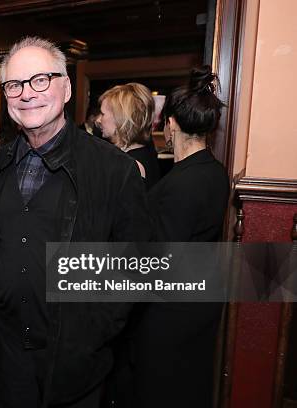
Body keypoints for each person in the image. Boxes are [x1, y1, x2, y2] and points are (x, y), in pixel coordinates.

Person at [0, 36, 151, 408]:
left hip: (75, 365)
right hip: (6, 359)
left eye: (40, 80)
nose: (27, 94)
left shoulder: (115, 170)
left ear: (65, 88)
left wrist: (93, 334)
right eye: (14, 85)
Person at [131, 66, 229, 408]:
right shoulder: (212, 171)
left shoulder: (184, 183)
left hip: (169, 315)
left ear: (171, 124)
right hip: (195, 304)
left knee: (160, 390)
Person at [97, 83, 160, 190]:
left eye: (102, 114)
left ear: (120, 119)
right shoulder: (145, 151)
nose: (98, 120)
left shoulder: (132, 165)